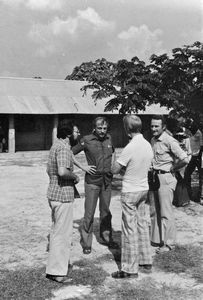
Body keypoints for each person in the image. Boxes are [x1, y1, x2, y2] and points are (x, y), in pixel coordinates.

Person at [111, 115, 153, 279]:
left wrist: (114, 158)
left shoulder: (130, 147)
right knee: (142, 225)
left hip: (130, 190)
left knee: (129, 229)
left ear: (127, 129)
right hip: (143, 188)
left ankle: (129, 269)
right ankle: (145, 261)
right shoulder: (147, 145)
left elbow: (115, 170)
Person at [72, 116, 117, 254]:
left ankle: (106, 237)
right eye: (99, 128)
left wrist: (113, 166)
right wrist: (83, 167)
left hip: (107, 181)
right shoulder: (86, 140)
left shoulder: (109, 138)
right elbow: (70, 153)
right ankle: (86, 242)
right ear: (94, 128)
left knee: (105, 211)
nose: (102, 131)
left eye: (104, 128)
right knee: (89, 213)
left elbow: (114, 152)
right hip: (92, 182)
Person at [46, 122, 81, 283]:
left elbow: (50, 171)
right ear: (68, 134)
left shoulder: (55, 146)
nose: (78, 134)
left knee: (56, 231)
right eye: (76, 132)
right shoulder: (64, 148)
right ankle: (58, 272)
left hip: (53, 193)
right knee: (63, 234)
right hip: (63, 195)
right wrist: (75, 176)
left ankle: (55, 267)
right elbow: (62, 171)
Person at [150, 115, 189, 253]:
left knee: (166, 212)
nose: (153, 129)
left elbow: (185, 159)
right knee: (155, 210)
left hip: (166, 178)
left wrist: (173, 168)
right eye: (152, 126)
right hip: (155, 178)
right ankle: (157, 239)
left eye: (157, 126)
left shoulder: (170, 140)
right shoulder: (153, 140)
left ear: (163, 127)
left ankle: (168, 244)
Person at [184, 122, 203, 203]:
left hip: (199, 157)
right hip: (195, 156)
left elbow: (201, 146)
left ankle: (199, 196)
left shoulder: (198, 134)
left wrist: (199, 157)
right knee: (187, 173)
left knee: (201, 177)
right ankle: (189, 193)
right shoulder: (193, 134)